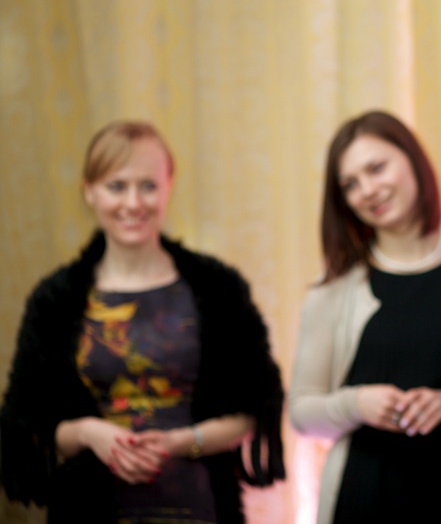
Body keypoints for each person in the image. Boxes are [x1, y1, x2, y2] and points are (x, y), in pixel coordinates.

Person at [0, 120, 285, 523]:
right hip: (87, 511)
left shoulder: (218, 287)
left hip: (200, 508)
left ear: (169, 186)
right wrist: (88, 433)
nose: (133, 203)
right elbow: (28, 424)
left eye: (148, 186)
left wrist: (180, 442)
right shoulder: (54, 301)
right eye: (116, 187)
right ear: (89, 191)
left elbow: (254, 406)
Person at [288, 110, 441, 523]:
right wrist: (356, 403)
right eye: (350, 184)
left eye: (376, 168)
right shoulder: (334, 291)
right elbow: (301, 412)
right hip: (361, 494)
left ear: (412, 160)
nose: (368, 191)